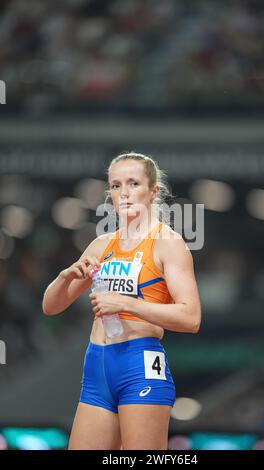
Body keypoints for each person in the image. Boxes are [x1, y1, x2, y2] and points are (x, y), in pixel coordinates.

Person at [42, 152, 201, 450]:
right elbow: (51, 307)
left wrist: (127, 304)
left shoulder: (168, 243)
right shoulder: (102, 244)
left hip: (140, 364)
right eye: (115, 186)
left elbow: (191, 317)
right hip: (97, 367)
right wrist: (65, 277)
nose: (124, 193)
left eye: (133, 183)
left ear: (153, 191)